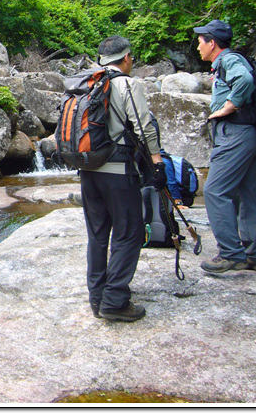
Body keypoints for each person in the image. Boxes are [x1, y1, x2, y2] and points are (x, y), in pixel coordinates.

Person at [80, 35, 166, 322]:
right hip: (118, 171)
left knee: (97, 235)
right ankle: (114, 301)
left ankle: (97, 298)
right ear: (127, 58)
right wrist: (156, 161)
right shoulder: (126, 83)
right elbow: (143, 127)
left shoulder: (87, 82)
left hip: (88, 172)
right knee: (128, 234)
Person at [194, 19, 256, 273]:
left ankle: (231, 253)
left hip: (235, 134)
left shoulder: (228, 60)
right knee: (244, 194)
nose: (197, 46)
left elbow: (245, 80)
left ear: (212, 43)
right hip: (245, 134)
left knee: (215, 191)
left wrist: (228, 106)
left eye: (200, 41)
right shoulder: (226, 62)